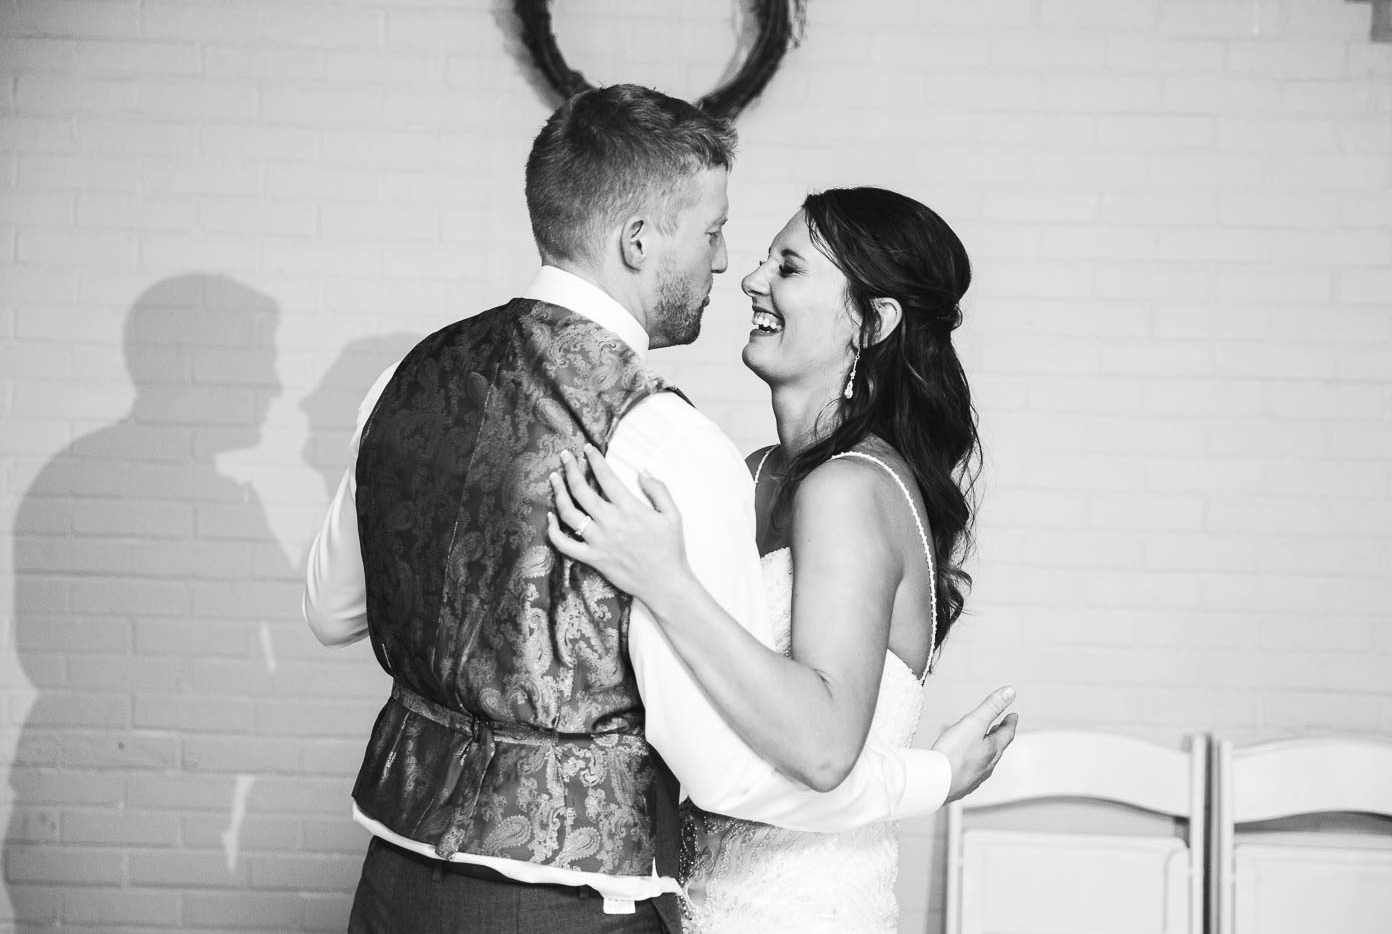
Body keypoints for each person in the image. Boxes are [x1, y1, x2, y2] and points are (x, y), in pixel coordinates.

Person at [304, 85, 1016, 934]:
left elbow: (331, 611)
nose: (734, 268)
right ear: (639, 240)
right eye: (715, 233)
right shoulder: (676, 446)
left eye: (784, 266)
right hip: (569, 906)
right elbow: (720, 772)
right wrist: (929, 778)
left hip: (397, 877)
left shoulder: (407, 377)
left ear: (875, 321)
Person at [548, 186, 998, 933]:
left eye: (788, 268)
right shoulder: (752, 474)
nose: (752, 280)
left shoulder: (850, 489)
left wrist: (663, 581)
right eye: (764, 260)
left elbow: (823, 750)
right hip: (693, 903)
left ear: (873, 322)